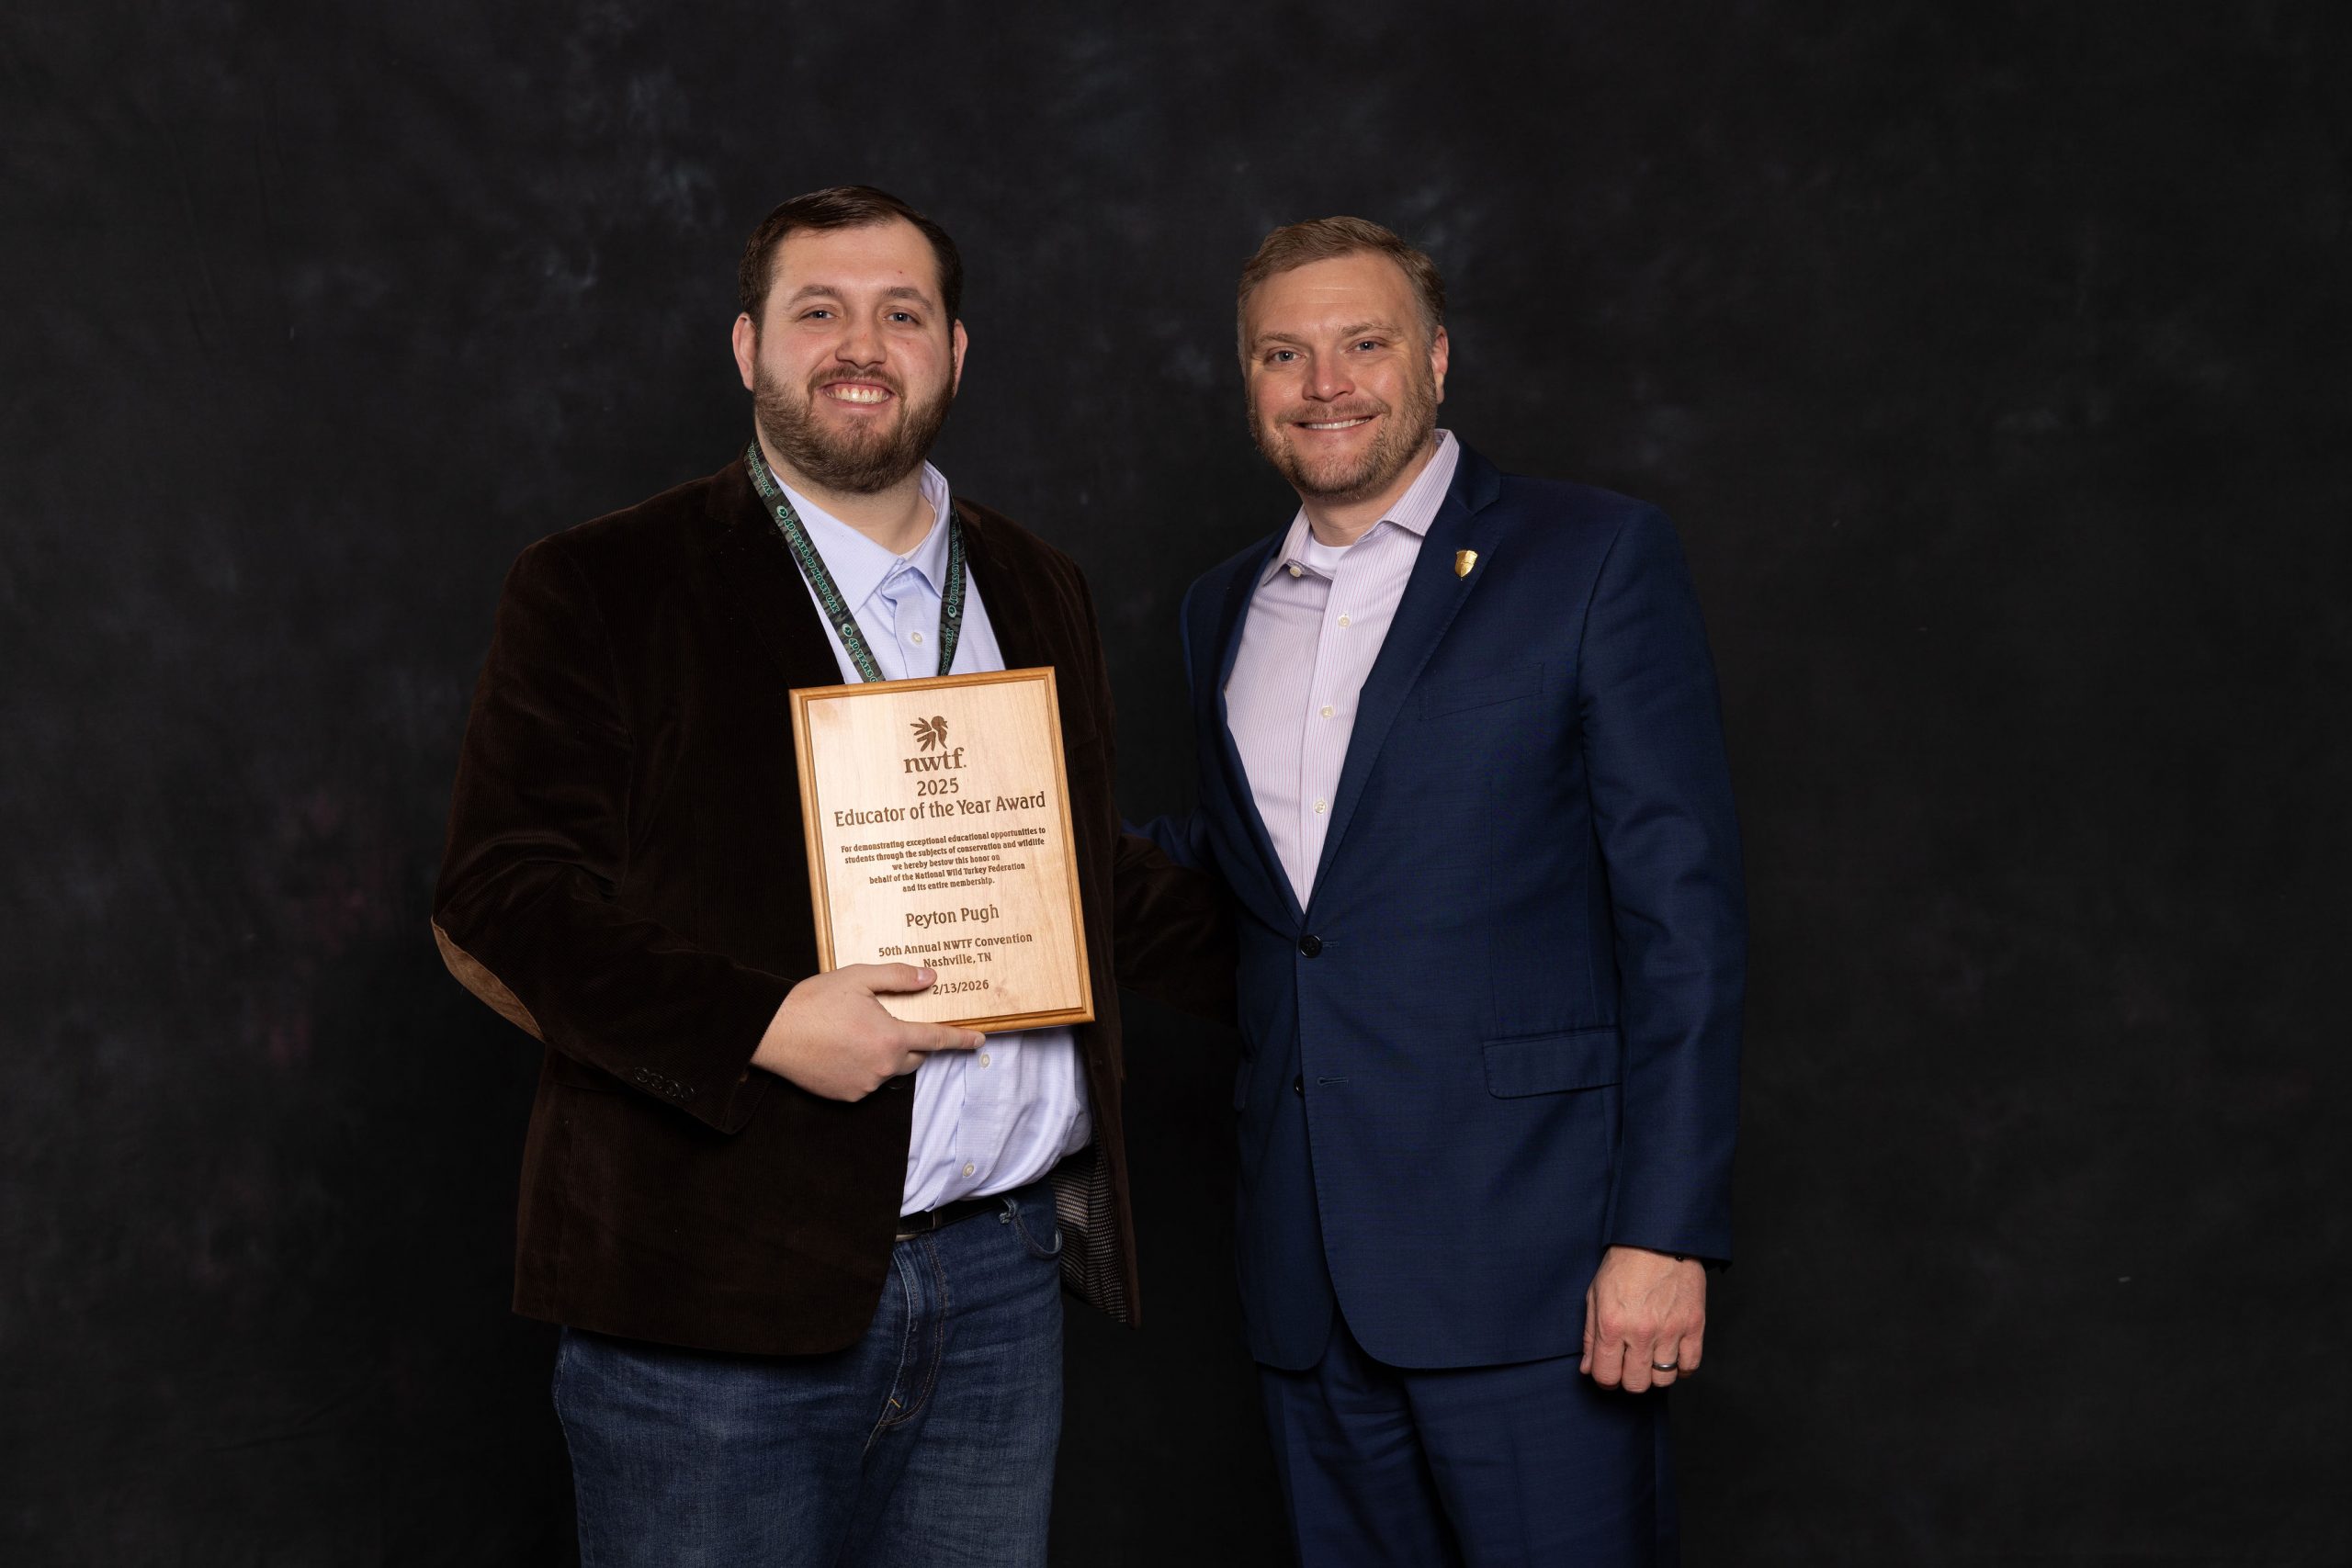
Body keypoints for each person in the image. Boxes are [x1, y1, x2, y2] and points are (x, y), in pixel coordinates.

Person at [430, 185, 1229, 1567]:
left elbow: (1074, 869)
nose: (862, 346)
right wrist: (758, 1024)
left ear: (955, 353)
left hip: (1001, 1285)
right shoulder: (603, 582)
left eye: (901, 314)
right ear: (748, 345)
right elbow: (502, 896)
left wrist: (1340, 960)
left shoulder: (1038, 582)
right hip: (709, 1298)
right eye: (820, 311)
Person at [1160, 217, 1746, 1564]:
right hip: (1308, 1279)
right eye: (1283, 354)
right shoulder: (1220, 608)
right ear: (1247, 381)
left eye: (1364, 343)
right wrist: (1001, 853)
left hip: (1541, 1271)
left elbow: (1684, 923)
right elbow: (1263, 884)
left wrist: (1664, 1234)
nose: (1326, 384)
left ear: (1434, 360)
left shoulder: (1591, 556)